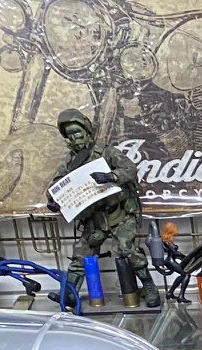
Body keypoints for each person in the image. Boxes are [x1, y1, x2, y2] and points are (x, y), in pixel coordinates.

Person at [51, 108, 161, 308]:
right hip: (95, 219)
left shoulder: (107, 152)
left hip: (119, 214)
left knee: (127, 250)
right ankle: (70, 293)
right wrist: (53, 199)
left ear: (87, 130)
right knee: (81, 255)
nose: (75, 138)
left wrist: (112, 176)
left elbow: (130, 169)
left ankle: (149, 286)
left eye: (77, 132)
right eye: (70, 135)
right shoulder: (71, 161)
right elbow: (57, 184)